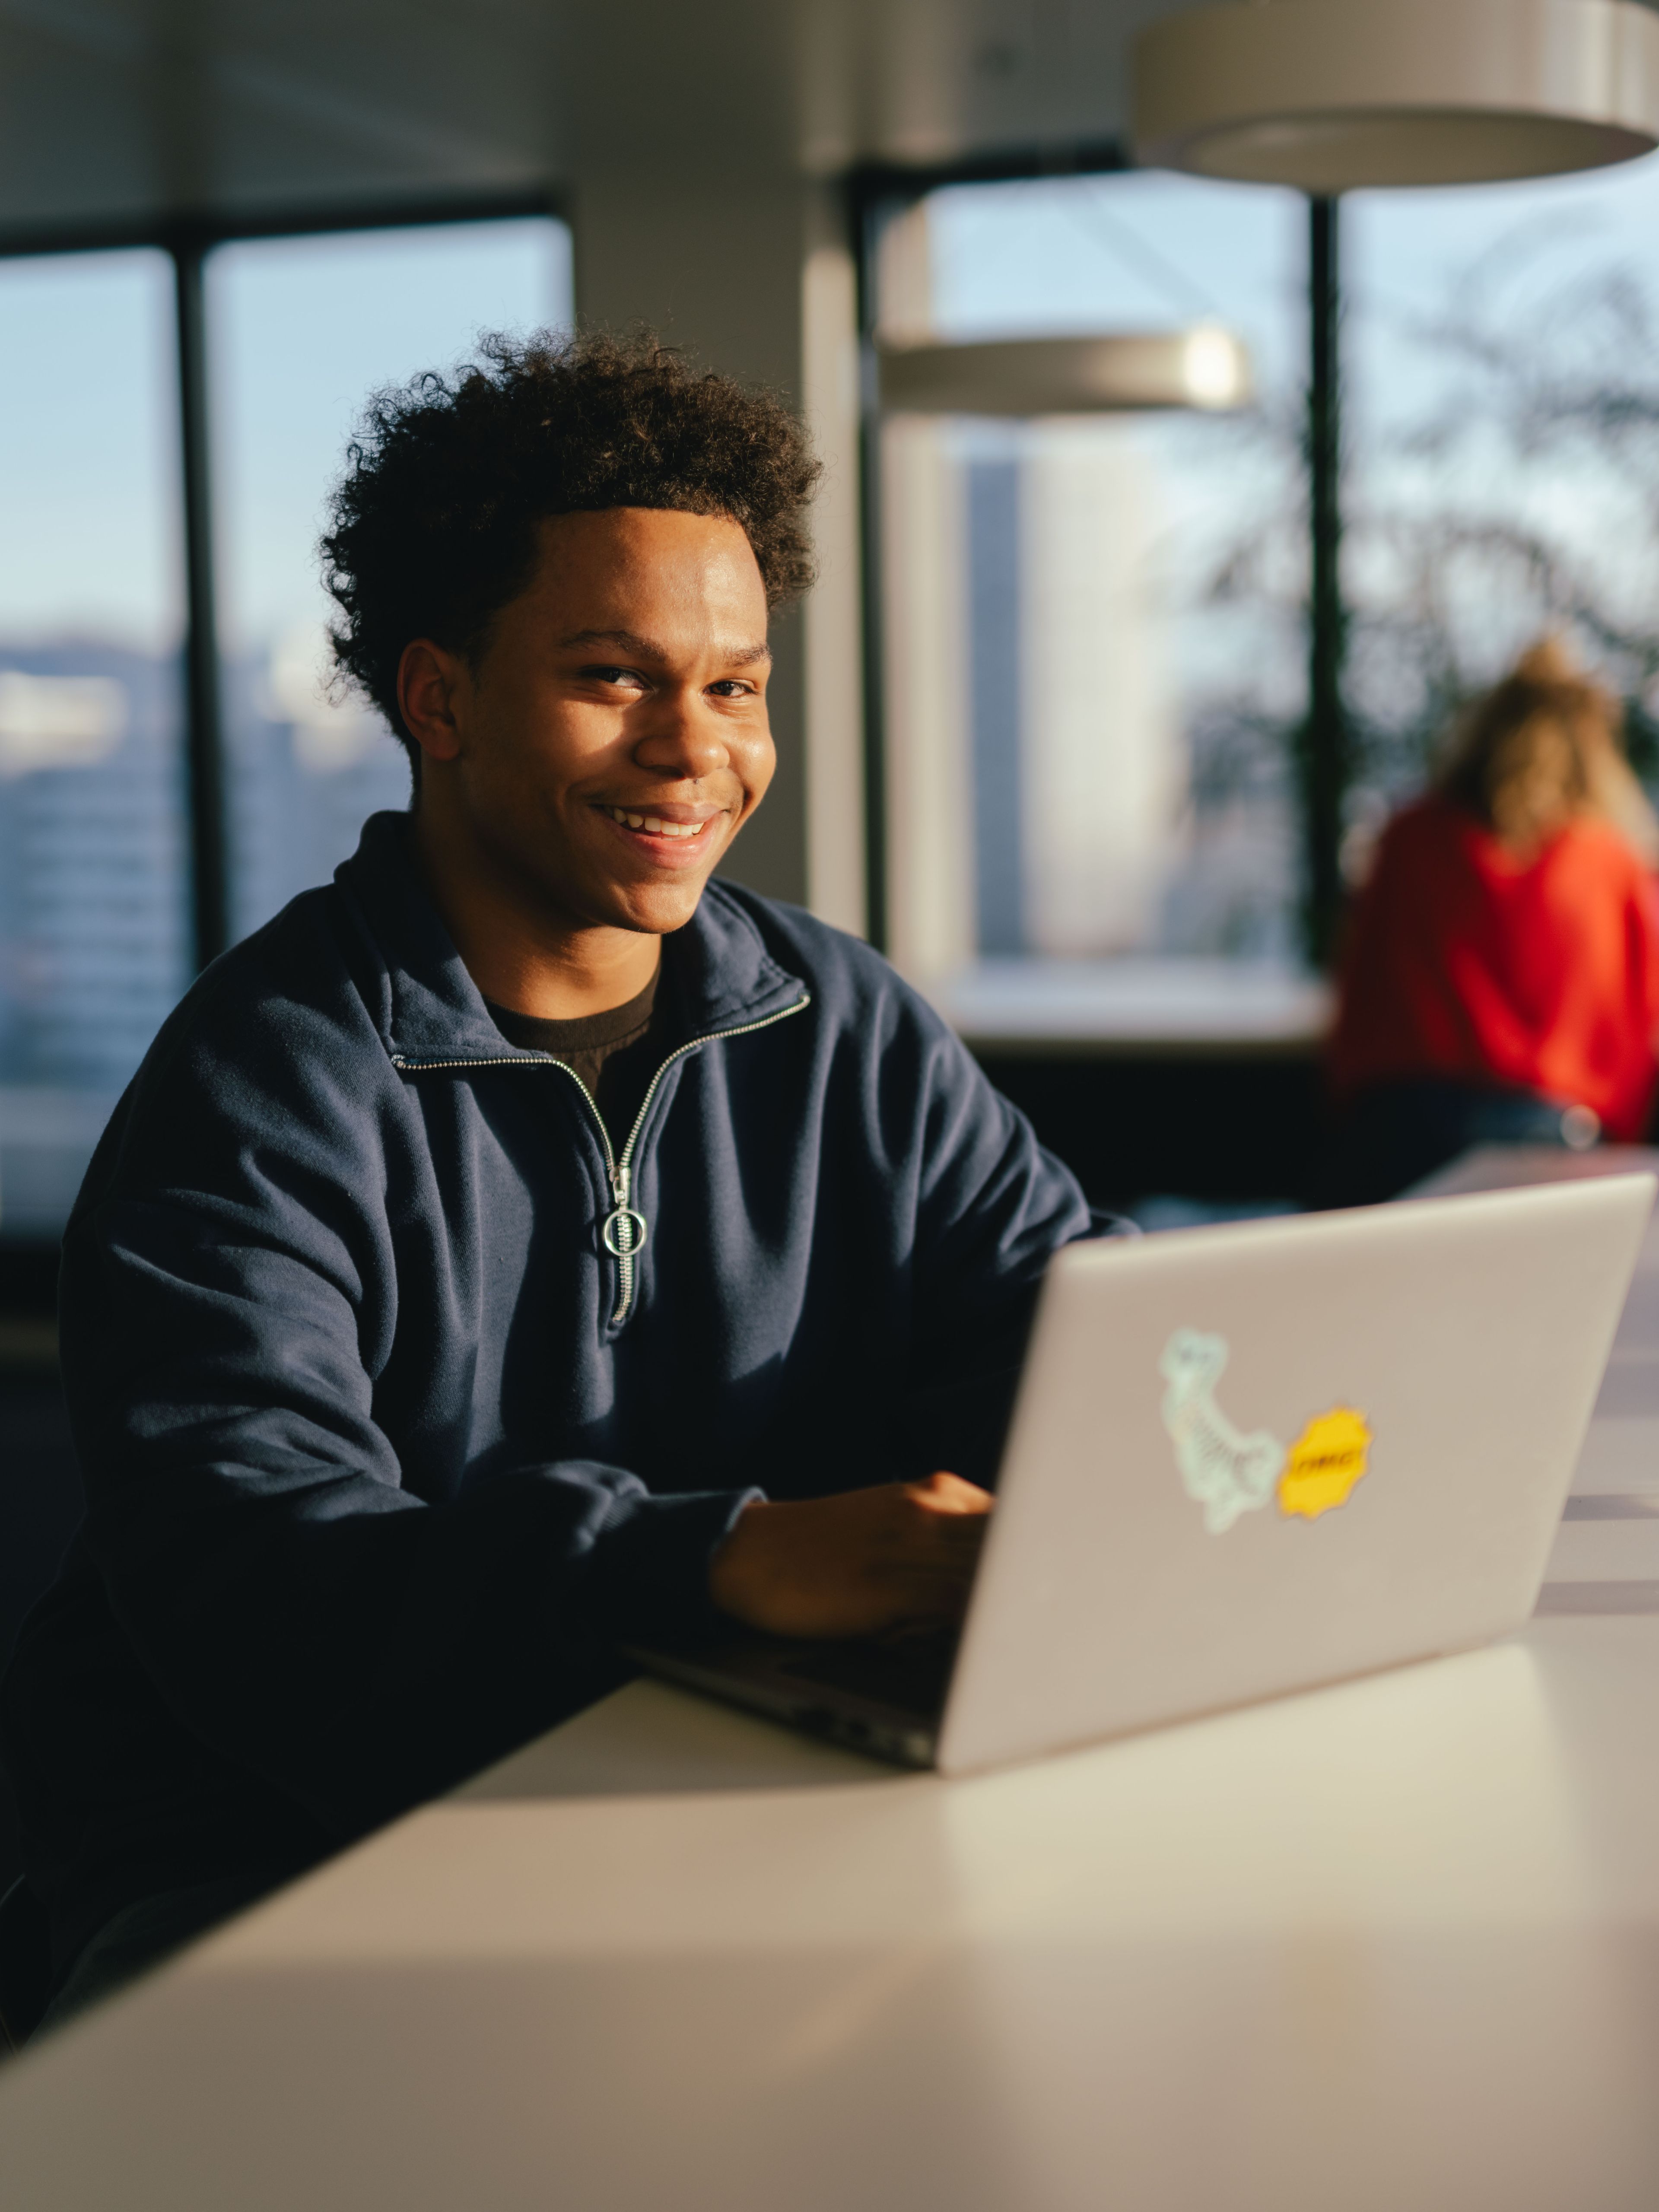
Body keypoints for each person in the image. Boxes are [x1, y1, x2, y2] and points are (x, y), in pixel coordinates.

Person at [0, 333, 1100, 2033]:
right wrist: (719, 1561)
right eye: (616, 676)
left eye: (735, 686)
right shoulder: (267, 1077)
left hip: (710, 1783)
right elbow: (253, 1577)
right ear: (439, 698)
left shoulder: (843, 1021)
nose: (695, 748)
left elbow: (1064, 1326)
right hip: (270, 1847)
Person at [1316, 639, 1659, 1205]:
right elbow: (1640, 1023)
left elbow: (1359, 994)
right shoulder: (1610, 861)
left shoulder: (1410, 840)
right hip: (1556, 1136)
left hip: (1405, 1131)